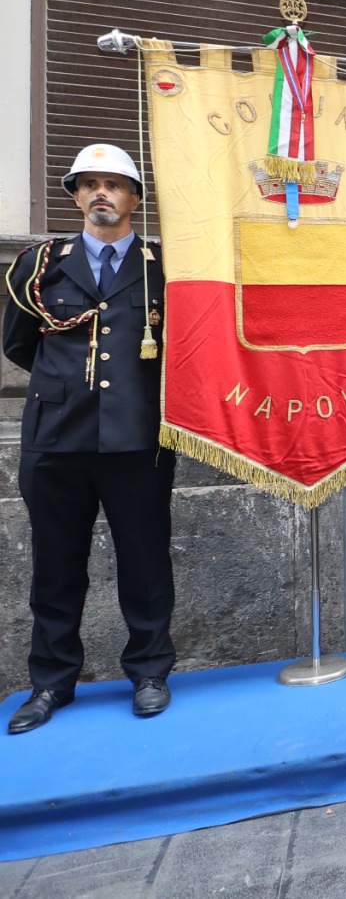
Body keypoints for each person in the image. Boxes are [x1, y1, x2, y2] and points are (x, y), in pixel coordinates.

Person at [3, 143, 176, 733]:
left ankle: (150, 671)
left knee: (146, 560)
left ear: (134, 198)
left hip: (136, 439)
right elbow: (20, 343)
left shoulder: (161, 269)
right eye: (90, 184)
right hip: (56, 438)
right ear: (75, 195)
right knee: (55, 564)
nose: (101, 193)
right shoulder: (39, 264)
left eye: (114, 184)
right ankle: (52, 682)